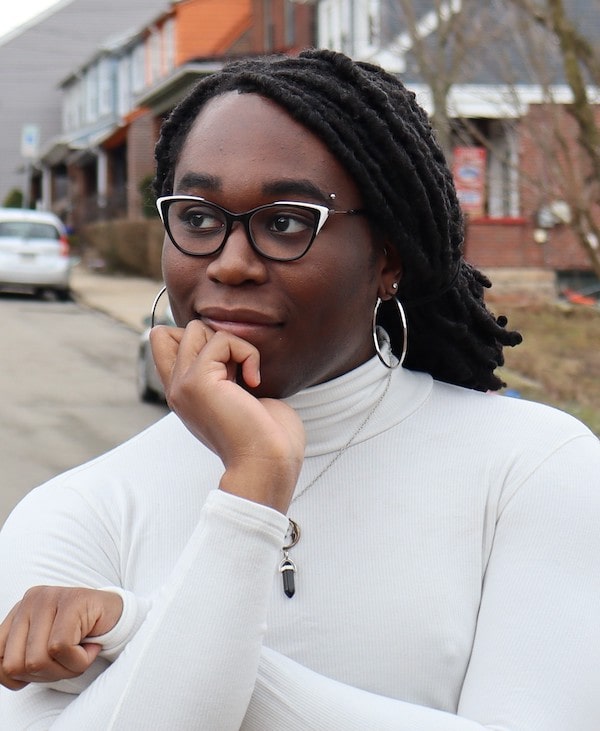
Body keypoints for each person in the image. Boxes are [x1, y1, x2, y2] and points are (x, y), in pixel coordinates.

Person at [0, 49, 599, 730]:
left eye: (285, 221)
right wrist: (252, 487)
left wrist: (139, 629)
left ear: (388, 257)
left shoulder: (532, 471)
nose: (229, 262)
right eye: (197, 217)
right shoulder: (84, 510)